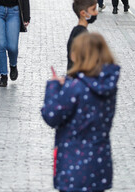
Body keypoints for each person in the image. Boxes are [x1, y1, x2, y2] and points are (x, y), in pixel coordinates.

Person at [42, 33, 120, 192]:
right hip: (100, 164)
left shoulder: (75, 88)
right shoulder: (108, 87)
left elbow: (51, 116)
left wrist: (53, 87)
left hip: (73, 165)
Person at [67, 0, 98, 70]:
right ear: (83, 13)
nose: (96, 12)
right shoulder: (83, 35)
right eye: (93, 9)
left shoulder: (76, 31)